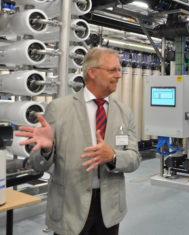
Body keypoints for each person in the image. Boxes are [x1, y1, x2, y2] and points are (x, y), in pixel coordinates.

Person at [16, 47, 141, 235]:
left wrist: (113, 156)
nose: (119, 75)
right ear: (92, 72)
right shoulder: (59, 109)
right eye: (112, 70)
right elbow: (37, 165)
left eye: (119, 70)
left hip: (109, 210)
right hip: (69, 208)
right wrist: (47, 150)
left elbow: (134, 159)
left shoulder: (124, 112)